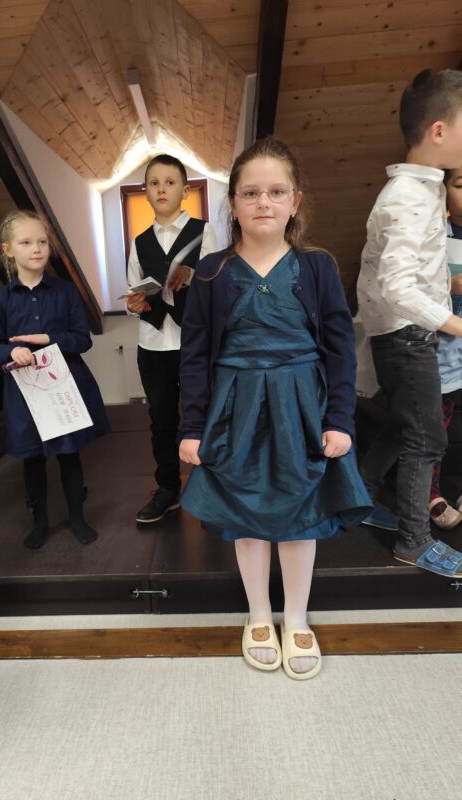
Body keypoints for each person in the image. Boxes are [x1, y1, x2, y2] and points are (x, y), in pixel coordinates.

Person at [179, 136, 371, 680]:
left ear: (295, 201)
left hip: (302, 407)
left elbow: (340, 350)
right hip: (233, 408)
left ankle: (297, 617)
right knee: (247, 513)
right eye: (250, 192)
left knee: (299, 513)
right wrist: (191, 426)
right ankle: (260, 614)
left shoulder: (317, 267)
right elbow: (194, 356)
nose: (263, 202)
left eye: (276, 191)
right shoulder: (210, 272)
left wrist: (339, 419)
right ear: (233, 204)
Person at [357, 69, 462, 576]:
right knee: (427, 438)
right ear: (439, 131)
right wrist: (455, 324)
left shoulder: (423, 189)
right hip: (407, 337)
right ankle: (413, 541)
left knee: (404, 428)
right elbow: (398, 287)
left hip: (404, 334)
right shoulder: (407, 196)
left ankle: (359, 498)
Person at [0, 210, 110, 549]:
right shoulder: (1, 299)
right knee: (33, 458)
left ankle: (77, 518)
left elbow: (82, 339)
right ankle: (39, 521)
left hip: (62, 386)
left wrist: (48, 339)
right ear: (8, 250)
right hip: (24, 392)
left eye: (42, 242)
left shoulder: (66, 291)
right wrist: (12, 351)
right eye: (26, 242)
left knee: (69, 454)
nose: (37, 248)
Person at [126, 154, 217, 523]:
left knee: (205, 415)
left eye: (169, 182)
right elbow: (135, 292)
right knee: (160, 419)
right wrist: (132, 305)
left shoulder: (203, 231)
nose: (161, 189)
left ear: (184, 190)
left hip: (193, 341)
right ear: (146, 192)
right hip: (151, 343)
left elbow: (217, 285)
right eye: (154, 183)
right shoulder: (139, 242)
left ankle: (212, 489)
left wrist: (192, 275)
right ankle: (167, 489)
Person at [429, 166, 462, 528]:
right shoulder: (435, 234)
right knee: (436, 427)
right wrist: (449, 285)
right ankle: (431, 492)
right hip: (442, 349)